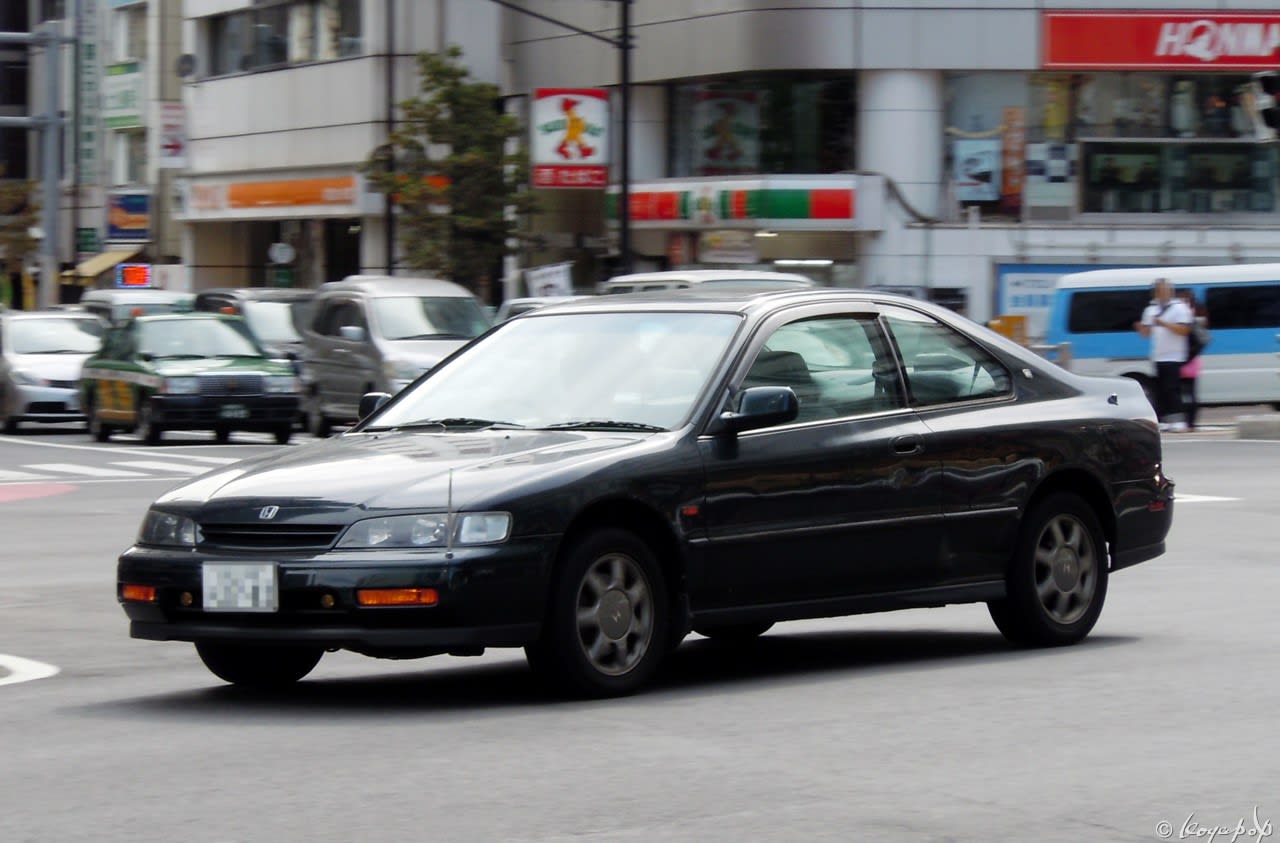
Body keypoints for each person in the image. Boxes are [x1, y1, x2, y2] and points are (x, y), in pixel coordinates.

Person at [1134, 278, 1194, 432]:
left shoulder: (1179, 308)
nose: (1162, 293)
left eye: (1165, 290)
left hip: (1174, 356)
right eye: (1159, 290)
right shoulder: (1151, 309)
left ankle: (1180, 420)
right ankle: (1167, 419)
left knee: (1173, 389)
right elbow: (1147, 334)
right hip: (1158, 356)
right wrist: (1141, 328)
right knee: (1161, 390)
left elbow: (1184, 331)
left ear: (1170, 291)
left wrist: (1164, 323)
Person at [1178, 290, 1208, 431]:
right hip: (1188, 360)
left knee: (1188, 394)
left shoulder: (1191, 321)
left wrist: (1187, 357)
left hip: (1188, 361)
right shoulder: (1191, 319)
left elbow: (1199, 342)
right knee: (1186, 394)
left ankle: (1190, 422)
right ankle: (1189, 422)